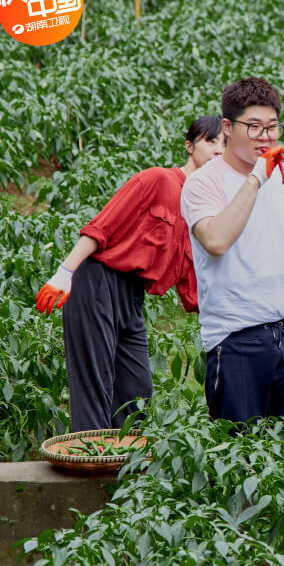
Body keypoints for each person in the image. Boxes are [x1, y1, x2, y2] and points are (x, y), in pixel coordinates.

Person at [34, 115, 223, 431]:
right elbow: (103, 225)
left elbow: (195, 289)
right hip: (97, 278)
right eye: (211, 141)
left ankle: (123, 469)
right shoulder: (157, 180)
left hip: (133, 295)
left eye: (225, 145)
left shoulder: (204, 212)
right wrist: (65, 272)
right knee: (96, 381)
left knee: (136, 390)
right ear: (190, 146)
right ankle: (91, 463)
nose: (219, 150)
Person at [180, 78, 284, 426]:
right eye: (253, 127)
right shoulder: (203, 183)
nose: (265, 137)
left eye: (272, 127)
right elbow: (216, 241)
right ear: (227, 127)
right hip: (238, 333)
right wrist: (256, 179)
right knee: (239, 454)